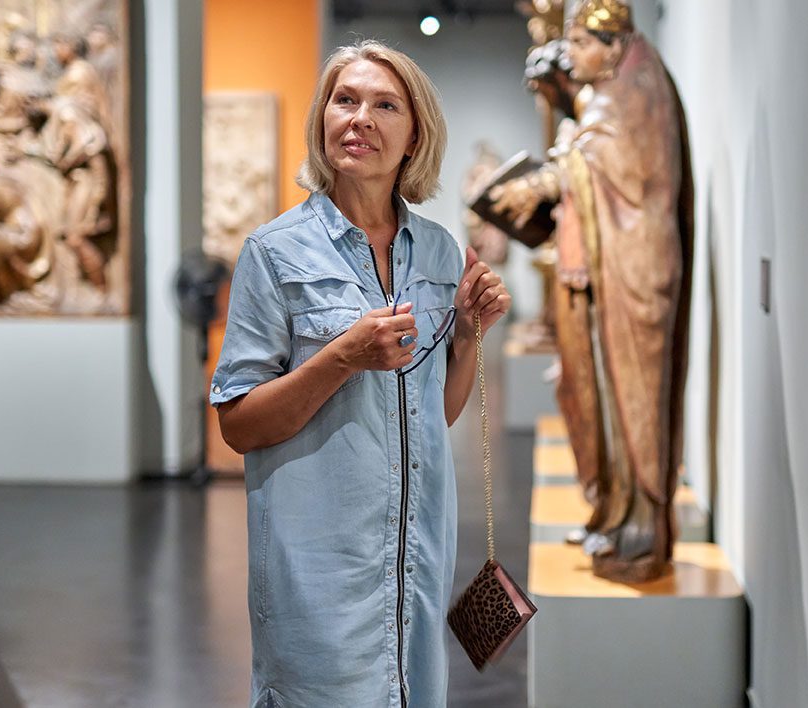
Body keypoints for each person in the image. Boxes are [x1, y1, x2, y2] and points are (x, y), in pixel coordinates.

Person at [209, 40, 510, 707]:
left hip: (418, 560)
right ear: (323, 120)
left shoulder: (437, 251)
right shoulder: (273, 253)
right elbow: (239, 424)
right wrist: (344, 356)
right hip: (318, 571)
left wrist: (465, 333)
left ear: (414, 136)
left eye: (384, 105)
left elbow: (433, 415)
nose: (360, 119)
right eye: (345, 100)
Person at [491, 0, 693, 582]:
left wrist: (546, 179)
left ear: (613, 44)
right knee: (598, 395)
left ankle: (643, 522)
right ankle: (614, 508)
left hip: (633, 273)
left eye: (580, 44)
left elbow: (612, 171)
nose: (571, 55)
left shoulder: (632, 95)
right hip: (601, 273)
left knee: (633, 396)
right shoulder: (605, 101)